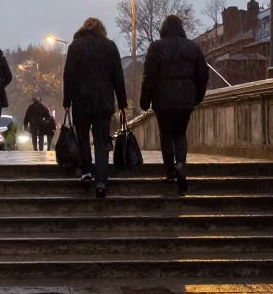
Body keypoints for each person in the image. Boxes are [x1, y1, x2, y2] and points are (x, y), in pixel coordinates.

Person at [139, 14, 209, 194]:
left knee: (166, 134)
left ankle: (170, 169)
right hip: (185, 97)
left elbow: (150, 76)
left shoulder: (156, 47)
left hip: (163, 97)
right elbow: (203, 74)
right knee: (180, 133)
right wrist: (196, 96)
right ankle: (180, 164)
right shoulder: (192, 48)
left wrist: (145, 100)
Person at [63, 17, 127, 197]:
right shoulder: (110, 46)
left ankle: (86, 171)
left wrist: (67, 101)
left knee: (82, 137)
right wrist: (122, 102)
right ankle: (101, 182)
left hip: (81, 100)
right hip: (103, 100)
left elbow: (68, 75)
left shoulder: (75, 47)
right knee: (101, 142)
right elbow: (118, 76)